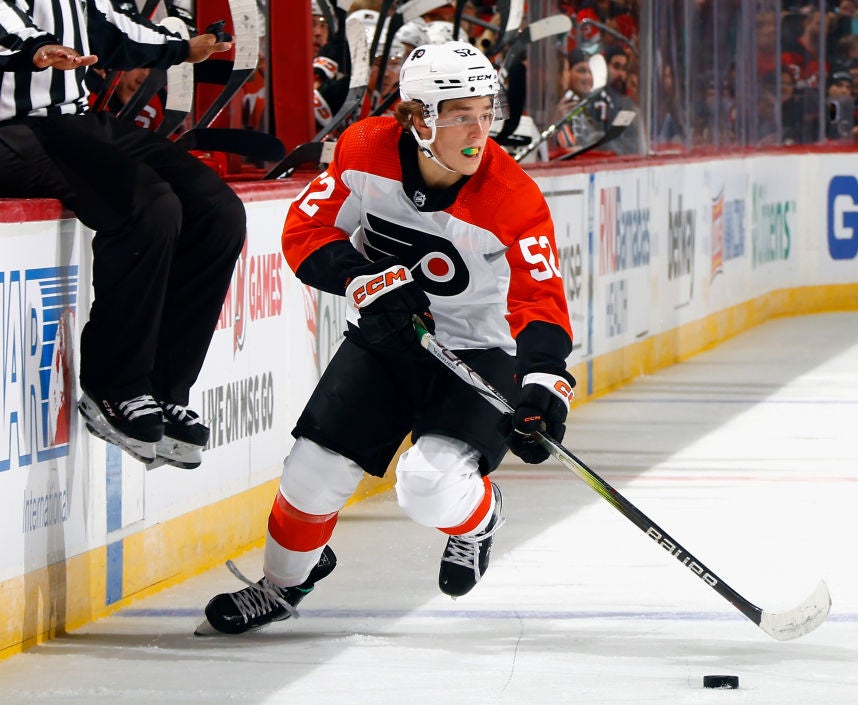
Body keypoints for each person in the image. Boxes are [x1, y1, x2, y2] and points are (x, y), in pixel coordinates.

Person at [196, 41, 575, 636]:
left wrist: (545, 383)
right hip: (387, 341)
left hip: (478, 351)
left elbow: (539, 298)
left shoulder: (512, 198)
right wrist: (363, 281)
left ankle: (477, 518)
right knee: (310, 473)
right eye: (459, 115)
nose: (479, 131)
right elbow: (306, 231)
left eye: (486, 112)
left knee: (427, 487)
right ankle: (284, 583)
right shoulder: (365, 148)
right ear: (418, 117)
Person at [0, 0, 246, 469]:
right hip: (12, 131)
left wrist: (179, 47)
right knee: (148, 205)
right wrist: (34, 46)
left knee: (218, 211)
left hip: (72, 121)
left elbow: (110, 24)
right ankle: (115, 385)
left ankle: (164, 387)